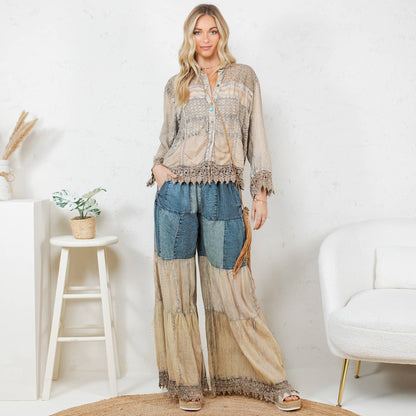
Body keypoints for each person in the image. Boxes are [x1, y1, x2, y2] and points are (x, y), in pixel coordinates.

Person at [146, 3, 301, 412]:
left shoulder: (244, 78)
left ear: (222, 34)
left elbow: (257, 138)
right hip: (176, 195)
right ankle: (188, 384)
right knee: (178, 292)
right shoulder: (176, 84)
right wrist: (159, 169)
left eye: (212, 31)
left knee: (236, 290)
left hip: (223, 194)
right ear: (190, 37)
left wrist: (260, 193)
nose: (205, 39)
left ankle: (271, 380)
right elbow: (167, 138)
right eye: (198, 32)